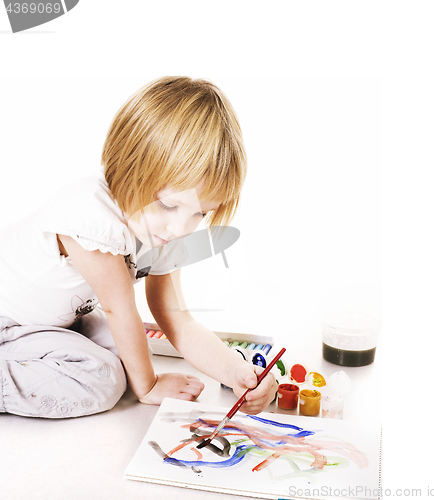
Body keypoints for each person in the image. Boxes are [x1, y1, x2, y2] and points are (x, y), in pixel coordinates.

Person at [0, 76, 277, 418]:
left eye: (200, 214)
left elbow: (176, 318)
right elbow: (120, 309)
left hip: (56, 320)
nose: (180, 228)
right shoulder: (89, 215)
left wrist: (237, 372)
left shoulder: (163, 229)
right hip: (8, 322)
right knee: (107, 380)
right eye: (170, 206)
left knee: (131, 350)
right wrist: (147, 386)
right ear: (131, 168)